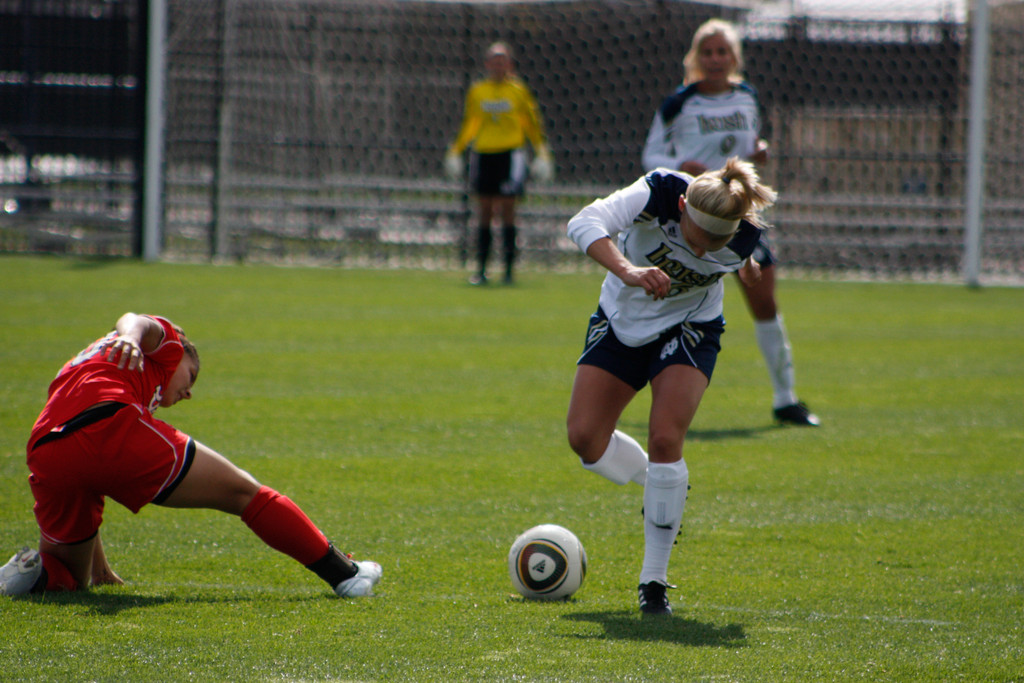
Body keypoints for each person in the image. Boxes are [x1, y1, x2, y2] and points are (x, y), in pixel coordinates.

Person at [0, 313, 381, 598]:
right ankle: (346, 574)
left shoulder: (89, 362)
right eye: (192, 376)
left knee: (64, 578)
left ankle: (25, 573)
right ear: (180, 354)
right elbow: (136, 320)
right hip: (109, 423)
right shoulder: (167, 348)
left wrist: (101, 570)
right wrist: (131, 337)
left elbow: (90, 468)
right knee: (244, 491)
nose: (189, 392)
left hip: (47, 447)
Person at [565, 158, 777, 615]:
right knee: (584, 439)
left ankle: (653, 581)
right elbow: (584, 221)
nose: (703, 254)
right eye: (698, 241)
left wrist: (748, 266)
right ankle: (659, 484)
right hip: (621, 318)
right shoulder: (659, 191)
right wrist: (629, 271)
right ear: (681, 207)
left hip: (689, 326)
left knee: (665, 437)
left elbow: (744, 257)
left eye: (715, 244)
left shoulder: (742, 234)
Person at [641, 18, 819, 427]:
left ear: (734, 57)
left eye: (723, 51)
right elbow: (650, 157)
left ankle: (785, 398)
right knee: (671, 302)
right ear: (696, 57)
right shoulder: (678, 103)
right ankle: (637, 383)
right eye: (708, 51)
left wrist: (759, 152)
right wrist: (678, 167)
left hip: (737, 216)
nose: (715, 58)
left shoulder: (747, 97)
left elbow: (747, 150)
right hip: (690, 216)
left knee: (764, 301)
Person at [445, 41, 553, 286]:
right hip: (483, 154)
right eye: (494, 60)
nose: (498, 65)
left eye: (502, 60)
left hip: (510, 155)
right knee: (484, 212)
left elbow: (531, 123)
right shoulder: (478, 91)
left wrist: (542, 152)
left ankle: (508, 271)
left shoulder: (518, 91)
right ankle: (481, 270)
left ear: (510, 64)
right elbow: (471, 122)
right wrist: (456, 150)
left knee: (507, 211)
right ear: (487, 64)